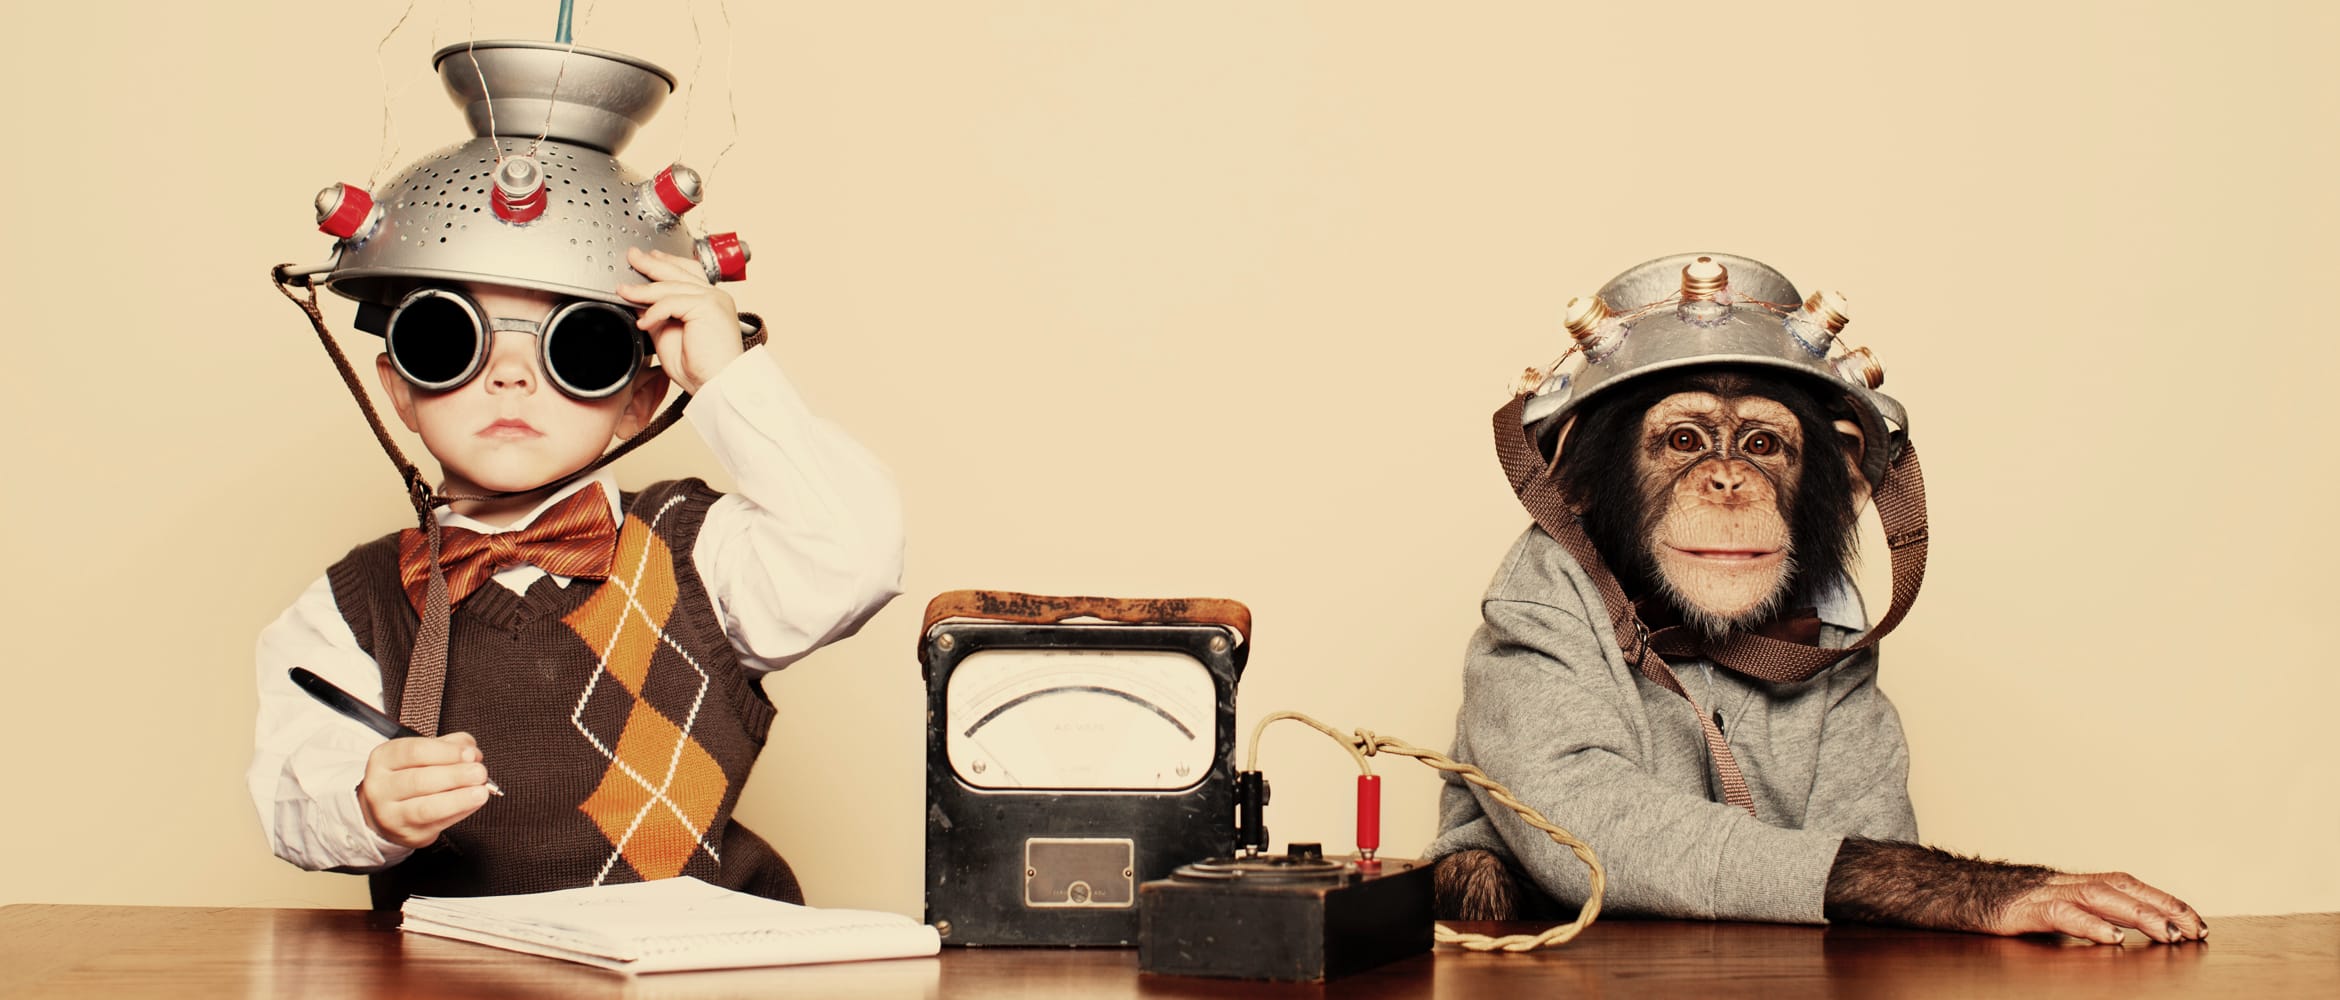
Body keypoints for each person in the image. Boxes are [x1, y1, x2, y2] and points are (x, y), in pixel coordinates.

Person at [249, 39, 902, 908]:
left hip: (704, 969)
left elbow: (857, 556)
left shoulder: (696, 555)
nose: (511, 375)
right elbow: (293, 795)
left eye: (577, 347)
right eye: (452, 341)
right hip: (458, 977)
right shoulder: (351, 603)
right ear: (399, 389)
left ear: (638, 401)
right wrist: (368, 800)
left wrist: (729, 377)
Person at [1429, 253, 2205, 945]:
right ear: (1594, 484)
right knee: (1477, 879)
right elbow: (1589, 833)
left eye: (1764, 444)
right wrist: (1970, 890)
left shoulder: (1826, 617)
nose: (1728, 481)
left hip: (1763, 965)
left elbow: (1874, 871)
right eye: (1684, 440)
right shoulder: (1545, 591)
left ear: (1831, 488)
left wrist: (1946, 899)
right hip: (1569, 961)